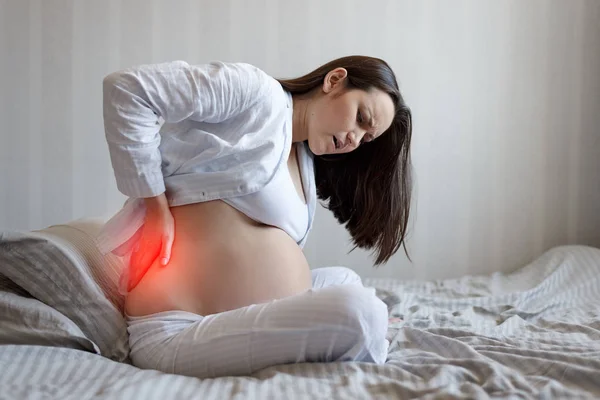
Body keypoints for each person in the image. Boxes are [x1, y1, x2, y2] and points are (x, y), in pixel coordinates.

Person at [96, 55, 413, 378]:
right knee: (362, 314)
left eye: (365, 139)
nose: (353, 140)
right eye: (361, 118)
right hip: (178, 328)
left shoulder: (303, 159)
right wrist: (155, 206)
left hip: (237, 318)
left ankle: (361, 335)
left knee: (346, 280)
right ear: (334, 81)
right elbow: (127, 90)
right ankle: (367, 337)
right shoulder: (256, 92)